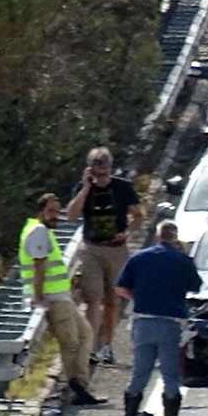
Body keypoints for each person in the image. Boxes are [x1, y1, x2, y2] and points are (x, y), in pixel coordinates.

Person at [19, 193, 107, 406]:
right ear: (40, 211)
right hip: (53, 298)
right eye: (50, 212)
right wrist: (39, 297)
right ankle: (79, 387)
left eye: (57, 212)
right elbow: (39, 266)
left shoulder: (40, 230)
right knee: (71, 343)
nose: (55, 216)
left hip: (61, 296)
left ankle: (79, 383)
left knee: (85, 334)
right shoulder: (38, 231)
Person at [116, 221, 203, 416]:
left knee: (140, 373)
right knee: (170, 374)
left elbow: (120, 288)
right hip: (171, 323)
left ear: (157, 236)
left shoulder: (139, 258)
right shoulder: (182, 260)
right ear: (175, 237)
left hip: (143, 322)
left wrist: (139, 298)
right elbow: (196, 286)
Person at [66, 147, 142, 364]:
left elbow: (137, 216)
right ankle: (90, 348)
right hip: (91, 248)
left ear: (110, 166)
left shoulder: (123, 187)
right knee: (93, 298)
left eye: (104, 165)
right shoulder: (83, 188)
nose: (101, 170)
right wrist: (86, 188)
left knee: (112, 301)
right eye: (97, 166)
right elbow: (71, 215)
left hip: (116, 249)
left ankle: (107, 345)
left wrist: (126, 233)